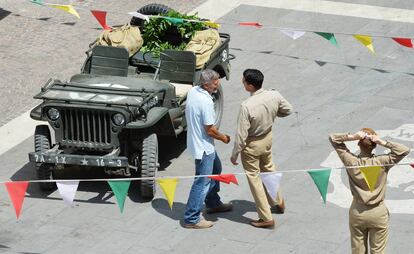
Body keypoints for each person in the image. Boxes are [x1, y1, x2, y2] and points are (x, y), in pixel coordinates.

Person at [329, 128, 410, 253]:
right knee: (378, 250)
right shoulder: (382, 161)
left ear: (358, 144)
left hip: (358, 211)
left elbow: (333, 138)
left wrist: (352, 136)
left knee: (358, 250)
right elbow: (404, 150)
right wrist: (383, 142)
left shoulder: (351, 161)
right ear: (374, 145)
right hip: (378, 212)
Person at [231, 69, 293, 228]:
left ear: (250, 85)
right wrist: (273, 114)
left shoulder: (246, 106)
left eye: (244, 80)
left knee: (255, 180)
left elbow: (241, 134)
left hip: (251, 145)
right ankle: (278, 202)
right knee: (269, 170)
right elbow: (288, 110)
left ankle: (266, 217)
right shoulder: (274, 95)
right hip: (267, 138)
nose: (242, 82)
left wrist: (235, 154)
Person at [183, 69, 233, 229]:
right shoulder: (206, 102)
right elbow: (210, 130)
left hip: (199, 143)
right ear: (206, 84)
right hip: (204, 147)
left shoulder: (193, 91)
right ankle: (192, 218)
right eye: (215, 82)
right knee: (202, 181)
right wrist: (224, 138)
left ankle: (213, 203)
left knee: (216, 169)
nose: (218, 84)